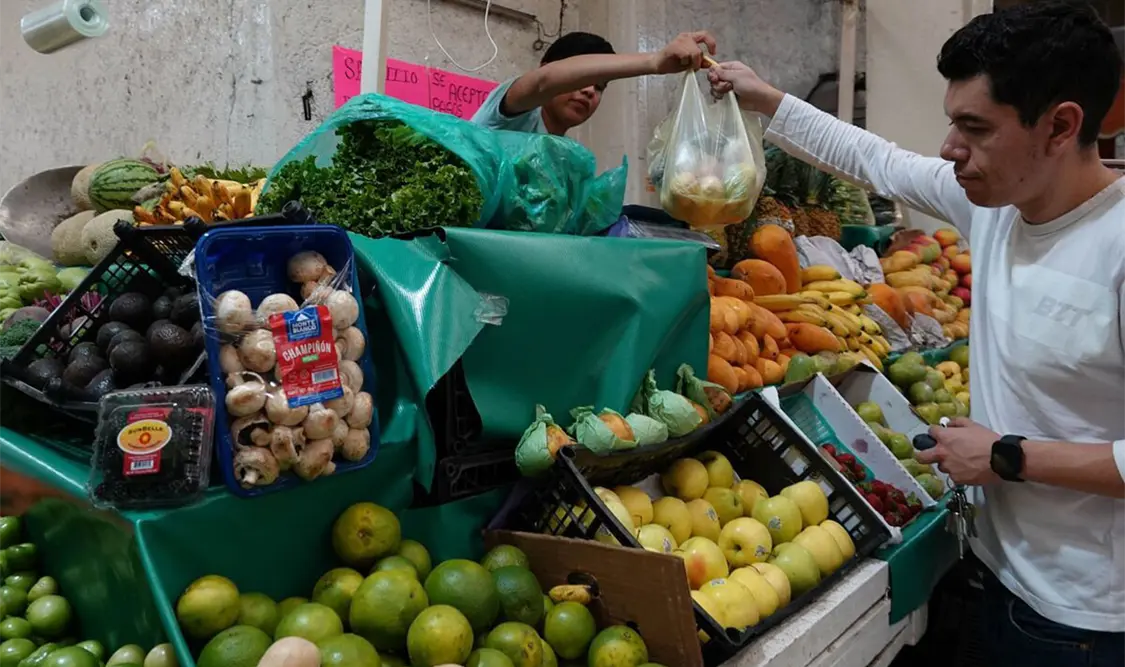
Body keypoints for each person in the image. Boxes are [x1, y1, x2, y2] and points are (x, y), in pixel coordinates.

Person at [710, 2, 1125, 665]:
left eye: (974, 127)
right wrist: (762, 97)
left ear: (1060, 126)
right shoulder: (996, 207)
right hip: (987, 568)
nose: (948, 148)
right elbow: (872, 157)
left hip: (1080, 618)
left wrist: (1006, 456)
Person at [472, 30, 717, 136]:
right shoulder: (510, 109)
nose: (590, 90)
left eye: (600, 86)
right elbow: (542, 83)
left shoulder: (567, 161)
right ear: (547, 67)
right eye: (585, 80)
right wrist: (654, 61)